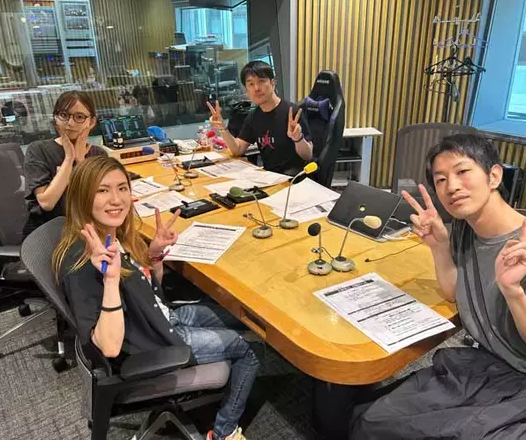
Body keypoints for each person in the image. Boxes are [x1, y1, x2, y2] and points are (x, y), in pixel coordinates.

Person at [351, 133, 526, 440]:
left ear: (494, 175)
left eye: (462, 171)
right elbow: (454, 291)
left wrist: (512, 291)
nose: (452, 186)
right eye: (441, 179)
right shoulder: (466, 227)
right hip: (489, 363)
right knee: (371, 421)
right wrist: (439, 247)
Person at [53, 155, 259, 440]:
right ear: (82, 197)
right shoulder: (82, 264)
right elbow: (109, 347)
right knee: (251, 349)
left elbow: (147, 290)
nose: (116, 199)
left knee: (244, 319)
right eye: (102, 190)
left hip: (161, 315)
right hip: (156, 340)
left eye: (122, 188)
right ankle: (224, 433)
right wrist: (111, 280)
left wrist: (154, 256)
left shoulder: (112, 234)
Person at [23, 91, 105, 239]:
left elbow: (101, 200)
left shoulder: (99, 155)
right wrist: (69, 158)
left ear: (92, 122)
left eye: (79, 117)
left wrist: (81, 160)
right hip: (48, 235)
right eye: (64, 115)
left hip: (88, 231)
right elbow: (47, 202)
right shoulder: (38, 150)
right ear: (55, 118)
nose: (70, 123)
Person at [207, 60, 313, 175]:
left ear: (272, 83)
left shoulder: (292, 112)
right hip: (270, 177)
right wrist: (223, 128)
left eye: (261, 81)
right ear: (246, 90)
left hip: (294, 178)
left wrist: (298, 139)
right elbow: (238, 149)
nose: (256, 88)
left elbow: (308, 155)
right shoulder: (254, 116)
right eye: (251, 84)